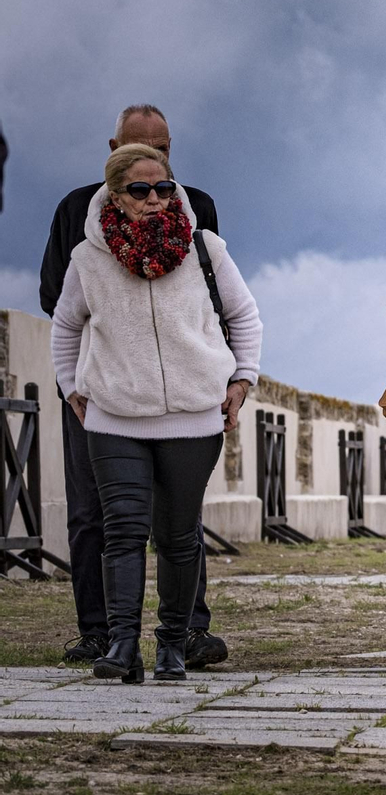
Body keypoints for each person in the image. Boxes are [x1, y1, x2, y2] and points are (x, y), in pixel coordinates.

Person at [50, 144, 261, 683]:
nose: (154, 200)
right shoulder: (87, 258)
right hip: (114, 416)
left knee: (176, 535)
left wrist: (242, 381)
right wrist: (71, 382)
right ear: (115, 197)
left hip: (193, 416)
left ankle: (171, 643)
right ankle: (122, 645)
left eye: (164, 189)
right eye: (140, 191)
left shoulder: (204, 247)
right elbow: (67, 324)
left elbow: (243, 315)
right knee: (121, 531)